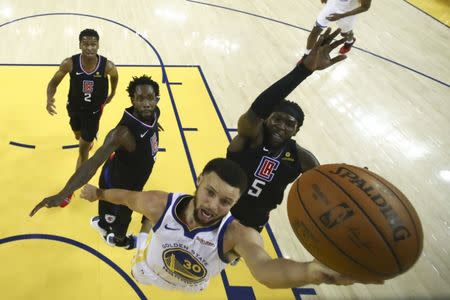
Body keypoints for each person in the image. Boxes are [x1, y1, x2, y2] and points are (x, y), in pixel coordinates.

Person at [77, 158, 381, 292]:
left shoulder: (238, 235)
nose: (212, 206)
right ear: (199, 181)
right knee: (145, 233)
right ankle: (144, 233)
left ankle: (146, 233)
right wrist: (99, 193)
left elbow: (265, 270)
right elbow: (127, 197)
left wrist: (311, 272)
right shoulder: (158, 203)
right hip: (145, 271)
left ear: (235, 203)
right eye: (209, 192)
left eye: (225, 202)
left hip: (192, 285)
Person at [228, 28, 346, 232]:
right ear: (267, 119)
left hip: (252, 225)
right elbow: (257, 110)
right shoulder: (249, 137)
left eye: (289, 123)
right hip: (218, 212)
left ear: (296, 130)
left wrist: (351, 183)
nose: (281, 126)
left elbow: (327, 187)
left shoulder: (302, 158)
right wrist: (302, 71)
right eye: (277, 119)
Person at [31, 75, 160, 249]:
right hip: (117, 185)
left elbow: (151, 116)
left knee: (117, 215)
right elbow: (92, 164)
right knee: (119, 220)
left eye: (150, 98)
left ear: (156, 99)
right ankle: (113, 235)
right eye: (140, 99)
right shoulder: (122, 134)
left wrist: (154, 125)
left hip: (133, 179)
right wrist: (63, 194)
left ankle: (111, 230)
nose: (146, 104)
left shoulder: (153, 112)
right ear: (132, 100)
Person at [46, 28, 119, 207]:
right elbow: (53, 82)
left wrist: (113, 92)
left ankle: (68, 191)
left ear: (98, 45)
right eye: (85, 44)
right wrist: (49, 98)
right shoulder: (69, 63)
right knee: (77, 135)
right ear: (80, 45)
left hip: (93, 114)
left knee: (82, 151)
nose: (89, 48)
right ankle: (85, 139)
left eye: (93, 44)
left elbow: (115, 76)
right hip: (74, 108)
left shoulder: (107, 66)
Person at [304, 0, 371, 56]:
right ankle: (306, 55)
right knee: (315, 31)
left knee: (345, 34)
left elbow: (365, 7)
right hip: (332, 5)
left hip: (348, 11)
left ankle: (350, 42)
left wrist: (341, 15)